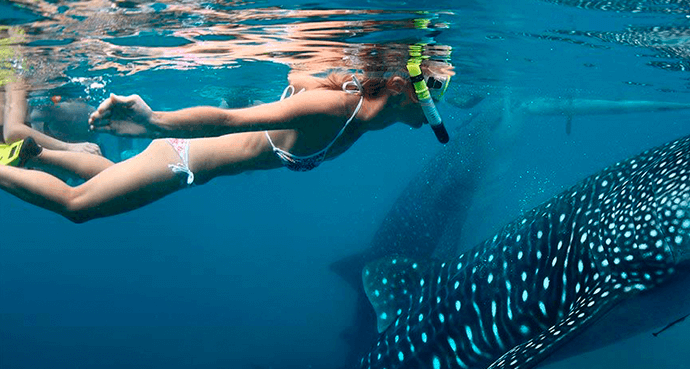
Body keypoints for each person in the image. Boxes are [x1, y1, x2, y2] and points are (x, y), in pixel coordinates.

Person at [0, 58, 454, 223]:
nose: (442, 99)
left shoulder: (354, 107)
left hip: (187, 169)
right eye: (439, 89)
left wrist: (318, 72)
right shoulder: (335, 110)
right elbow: (227, 119)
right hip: (181, 159)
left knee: (110, 174)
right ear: (399, 86)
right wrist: (155, 119)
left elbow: (296, 71)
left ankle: (35, 151)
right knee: (77, 207)